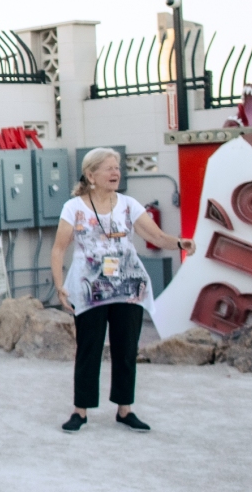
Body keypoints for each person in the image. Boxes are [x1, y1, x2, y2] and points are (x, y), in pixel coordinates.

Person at [50, 147, 193, 433]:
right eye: (109, 168)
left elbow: (155, 235)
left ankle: (125, 409)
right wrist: (59, 284)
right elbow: (58, 248)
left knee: (126, 348)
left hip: (128, 286)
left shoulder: (128, 204)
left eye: (117, 168)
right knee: (88, 348)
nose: (116, 172)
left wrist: (179, 243)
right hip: (90, 288)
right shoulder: (74, 207)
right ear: (91, 175)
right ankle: (80, 410)